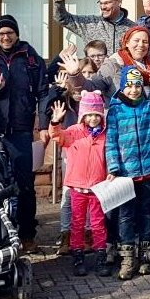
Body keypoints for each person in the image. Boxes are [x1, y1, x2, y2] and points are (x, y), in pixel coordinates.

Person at [0, 15, 47, 253]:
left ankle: (27, 234)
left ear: (16, 34)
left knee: (24, 184)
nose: (5, 37)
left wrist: (44, 124)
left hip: (20, 129)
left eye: (9, 33)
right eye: (1, 34)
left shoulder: (30, 58)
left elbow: (43, 92)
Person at [106, 66, 150, 280]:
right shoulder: (116, 110)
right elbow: (110, 141)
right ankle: (128, 258)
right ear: (122, 88)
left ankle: (146, 256)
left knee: (147, 211)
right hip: (126, 173)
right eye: (129, 86)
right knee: (126, 216)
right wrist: (113, 167)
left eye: (138, 86)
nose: (134, 90)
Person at [49, 94, 110, 277]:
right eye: (89, 115)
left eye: (97, 114)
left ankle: (100, 258)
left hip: (98, 187)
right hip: (77, 188)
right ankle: (78, 257)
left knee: (98, 225)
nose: (93, 118)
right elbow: (57, 136)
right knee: (77, 224)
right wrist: (55, 122)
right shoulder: (74, 131)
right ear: (83, 115)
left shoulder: (105, 134)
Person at [54, 0, 137, 54]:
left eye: (107, 3)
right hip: (95, 70)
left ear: (119, 2)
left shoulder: (133, 28)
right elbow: (62, 18)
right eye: (101, 3)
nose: (103, 7)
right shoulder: (90, 23)